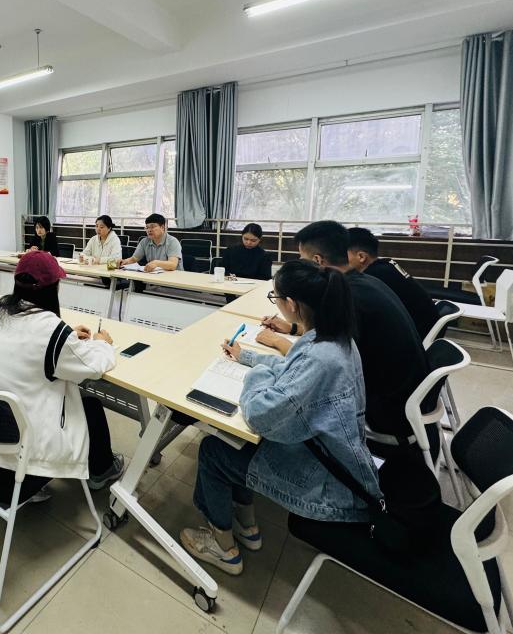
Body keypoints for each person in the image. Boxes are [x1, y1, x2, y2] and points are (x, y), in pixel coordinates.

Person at [179, 260, 381, 576]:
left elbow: (260, 415)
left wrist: (255, 373)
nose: (276, 304)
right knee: (234, 441)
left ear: (292, 305)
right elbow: (292, 368)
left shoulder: (319, 355)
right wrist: (246, 356)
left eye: (276, 298)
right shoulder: (334, 338)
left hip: (329, 485)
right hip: (330, 457)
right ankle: (246, 526)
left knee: (213, 451)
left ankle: (223, 547)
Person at [0, 250, 125, 504]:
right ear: (53, 289)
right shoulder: (51, 331)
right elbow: (95, 366)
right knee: (90, 406)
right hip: (17, 449)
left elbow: (26, 341)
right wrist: (102, 342)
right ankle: (102, 471)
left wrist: (66, 336)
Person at [259, 221, 429, 448]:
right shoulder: (364, 282)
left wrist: (277, 341)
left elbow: (324, 363)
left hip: (386, 409)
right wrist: (292, 328)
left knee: (281, 412)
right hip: (404, 391)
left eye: (302, 257)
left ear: (317, 261)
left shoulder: (349, 298)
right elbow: (334, 334)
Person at [346, 227, 439, 339]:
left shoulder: (373, 277)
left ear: (361, 256)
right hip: (425, 327)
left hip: (416, 335)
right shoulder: (385, 265)